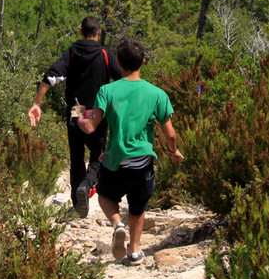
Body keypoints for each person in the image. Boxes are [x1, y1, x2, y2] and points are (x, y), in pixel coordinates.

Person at [77, 35, 183, 265]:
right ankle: (134, 252)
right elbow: (171, 134)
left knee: (105, 195)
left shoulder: (107, 91)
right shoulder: (157, 94)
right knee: (138, 206)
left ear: (118, 64)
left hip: (115, 160)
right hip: (143, 163)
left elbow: (91, 126)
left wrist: (79, 116)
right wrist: (172, 150)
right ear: (143, 61)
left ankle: (117, 225)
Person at [28, 15, 120, 218]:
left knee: (76, 155)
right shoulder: (105, 55)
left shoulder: (72, 53)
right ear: (99, 33)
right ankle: (86, 187)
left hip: (76, 109)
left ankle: (78, 203)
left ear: (81, 32)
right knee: (98, 153)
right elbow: (123, 80)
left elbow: (51, 77)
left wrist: (36, 104)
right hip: (97, 111)